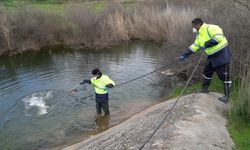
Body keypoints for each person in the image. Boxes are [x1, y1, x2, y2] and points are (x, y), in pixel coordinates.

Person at [180, 18, 232, 103]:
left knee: (224, 76)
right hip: (211, 56)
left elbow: (219, 37)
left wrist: (207, 44)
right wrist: (185, 54)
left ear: (198, 25)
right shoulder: (199, 34)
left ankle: (227, 97)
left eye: (193, 26)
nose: (193, 28)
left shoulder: (211, 28)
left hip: (222, 55)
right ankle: (204, 89)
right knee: (207, 72)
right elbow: (195, 46)